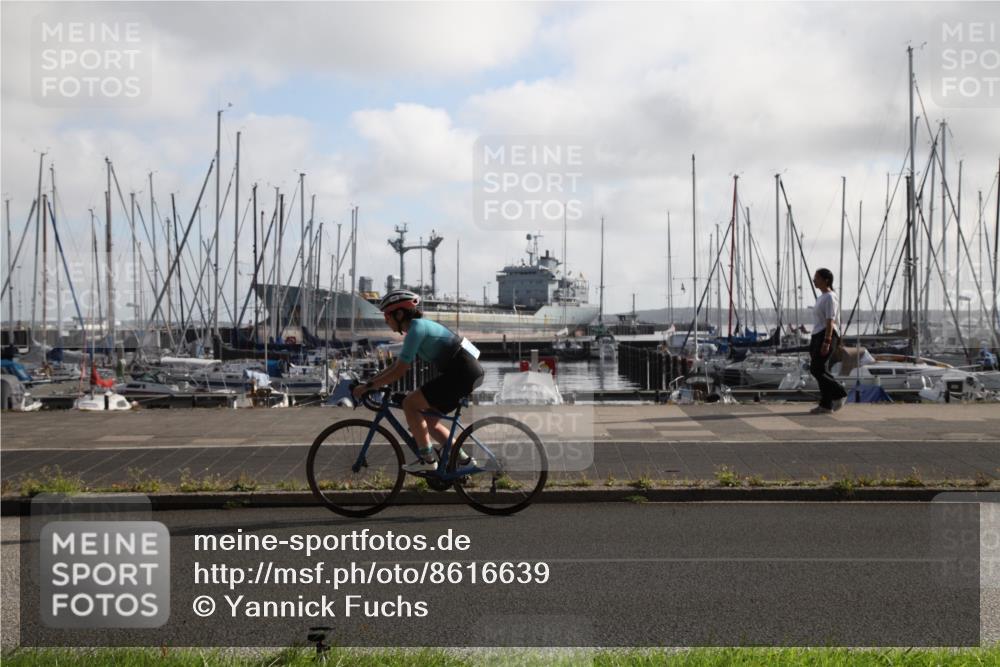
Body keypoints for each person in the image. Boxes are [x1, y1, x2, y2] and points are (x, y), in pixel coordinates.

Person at [352, 289, 484, 472]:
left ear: (399, 314)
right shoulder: (417, 329)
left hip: (462, 373)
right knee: (430, 422)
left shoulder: (417, 329)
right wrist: (370, 383)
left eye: (387, 315)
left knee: (410, 404)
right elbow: (396, 366)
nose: (385, 320)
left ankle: (428, 460)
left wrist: (369, 387)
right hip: (464, 372)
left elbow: (400, 371)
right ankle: (464, 461)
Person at [809, 268, 848, 414]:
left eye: (817, 278)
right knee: (820, 370)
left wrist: (827, 341)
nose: (814, 280)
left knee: (816, 369)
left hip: (826, 335)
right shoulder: (822, 297)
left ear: (826, 280)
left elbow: (830, 321)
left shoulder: (830, 297)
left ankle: (840, 393)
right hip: (817, 335)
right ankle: (826, 405)